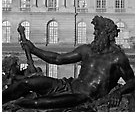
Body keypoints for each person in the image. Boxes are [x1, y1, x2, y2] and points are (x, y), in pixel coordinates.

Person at [2, 16, 135, 110]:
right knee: (26, 83)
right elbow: (57, 59)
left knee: (38, 103)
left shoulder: (117, 58)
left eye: (97, 31)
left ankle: (13, 106)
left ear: (107, 34)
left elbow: (132, 81)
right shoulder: (87, 50)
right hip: (67, 85)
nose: (94, 33)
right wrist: (34, 49)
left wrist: (119, 92)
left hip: (82, 96)